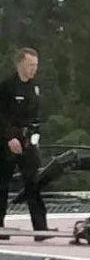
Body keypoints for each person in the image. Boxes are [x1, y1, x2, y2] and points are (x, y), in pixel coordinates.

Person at [0, 48, 54, 240]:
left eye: (36, 65)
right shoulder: (6, 87)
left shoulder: (35, 88)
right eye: (31, 65)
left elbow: (36, 116)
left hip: (28, 142)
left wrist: (35, 136)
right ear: (20, 64)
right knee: (2, 185)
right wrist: (9, 137)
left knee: (34, 183)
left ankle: (40, 228)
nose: (34, 69)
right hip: (7, 142)